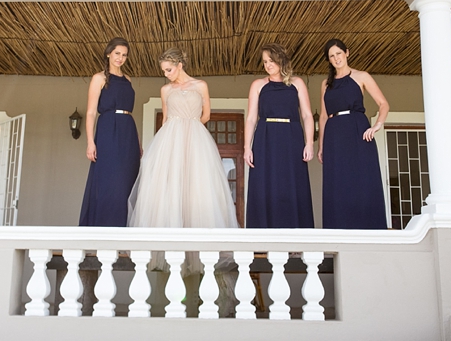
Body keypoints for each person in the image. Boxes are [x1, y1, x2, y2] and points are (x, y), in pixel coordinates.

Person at [127, 47, 239, 229]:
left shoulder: (200, 85)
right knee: (170, 180)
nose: (166, 74)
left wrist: (191, 126)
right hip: (170, 138)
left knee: (198, 181)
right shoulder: (166, 89)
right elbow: (165, 118)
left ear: (179, 65)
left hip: (195, 137)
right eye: (163, 71)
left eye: (168, 70)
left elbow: (207, 116)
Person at [318, 39, 389, 229]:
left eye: (339, 54)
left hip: (358, 131)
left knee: (362, 180)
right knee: (337, 183)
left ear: (347, 53)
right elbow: (323, 116)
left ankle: (369, 230)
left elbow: (383, 104)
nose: (336, 58)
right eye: (332, 56)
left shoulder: (362, 76)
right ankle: (338, 230)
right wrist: (321, 146)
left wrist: (377, 126)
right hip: (333, 135)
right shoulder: (326, 84)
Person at [244, 43, 315, 228]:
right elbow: (251, 118)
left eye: (271, 60)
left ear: (281, 59)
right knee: (265, 184)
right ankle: (263, 239)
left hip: (291, 138)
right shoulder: (258, 85)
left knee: (291, 183)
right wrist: (247, 147)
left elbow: (307, 115)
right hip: (265, 139)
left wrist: (309, 143)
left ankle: (295, 239)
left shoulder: (297, 83)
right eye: (265, 61)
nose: (268, 65)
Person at [79, 37, 141, 227]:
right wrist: (90, 142)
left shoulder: (128, 79)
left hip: (127, 131)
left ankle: (124, 231)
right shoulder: (99, 78)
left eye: (124, 55)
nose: (120, 58)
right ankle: (103, 230)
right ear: (108, 53)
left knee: (127, 181)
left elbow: (129, 112)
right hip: (107, 130)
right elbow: (90, 112)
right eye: (117, 54)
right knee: (109, 181)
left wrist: (138, 144)